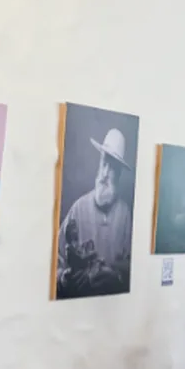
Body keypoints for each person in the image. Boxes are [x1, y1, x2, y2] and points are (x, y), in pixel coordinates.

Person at [56, 127, 135, 298]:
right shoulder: (78, 209)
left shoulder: (125, 214)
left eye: (112, 167)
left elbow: (133, 267)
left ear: (119, 174)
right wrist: (64, 279)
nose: (105, 173)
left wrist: (116, 276)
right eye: (104, 163)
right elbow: (55, 261)